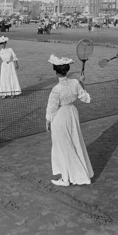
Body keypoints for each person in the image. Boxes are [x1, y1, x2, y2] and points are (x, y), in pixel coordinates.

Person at [46, 54, 93, 186]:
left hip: (60, 118)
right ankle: (75, 176)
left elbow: (52, 108)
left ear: (56, 72)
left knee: (62, 146)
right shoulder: (75, 82)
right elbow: (85, 98)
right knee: (75, 143)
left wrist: (48, 121)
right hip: (72, 114)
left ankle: (66, 179)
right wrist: (82, 82)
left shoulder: (56, 89)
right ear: (66, 70)